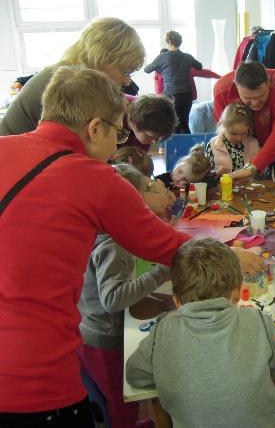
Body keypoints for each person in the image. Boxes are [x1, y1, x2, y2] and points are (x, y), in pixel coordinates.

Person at [0, 66, 188, 426]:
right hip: (35, 380)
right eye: (119, 133)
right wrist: (234, 253)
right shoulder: (97, 178)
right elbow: (168, 246)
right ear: (95, 128)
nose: (120, 144)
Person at [126, 238, 275, 428]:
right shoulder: (257, 320)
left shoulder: (163, 331)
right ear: (237, 294)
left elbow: (135, 376)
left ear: (176, 301)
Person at [77, 163, 175, 428]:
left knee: (112, 399)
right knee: (122, 402)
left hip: (91, 332)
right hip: (104, 339)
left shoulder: (100, 229)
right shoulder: (113, 244)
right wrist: (160, 274)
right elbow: (113, 299)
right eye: (146, 189)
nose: (152, 190)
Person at [0, 17, 145, 136]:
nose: (127, 81)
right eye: (125, 71)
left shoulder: (68, 77)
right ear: (102, 58)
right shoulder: (63, 87)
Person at [213, 62, 275, 190]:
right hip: (250, 147)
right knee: (257, 191)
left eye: (260, 97)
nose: (254, 103)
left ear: (268, 84)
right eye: (247, 99)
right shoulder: (222, 89)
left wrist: (252, 167)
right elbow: (226, 131)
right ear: (237, 87)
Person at [144, 31, 203, 134]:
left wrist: (161, 70)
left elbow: (147, 69)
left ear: (169, 41)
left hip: (171, 95)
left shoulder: (162, 57)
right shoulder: (187, 57)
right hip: (186, 95)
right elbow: (199, 66)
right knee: (184, 123)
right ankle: (189, 149)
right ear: (180, 42)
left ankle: (174, 148)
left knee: (173, 124)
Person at [206, 102, 265, 178]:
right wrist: (215, 172)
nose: (239, 138)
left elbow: (263, 173)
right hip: (223, 188)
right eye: (233, 133)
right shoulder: (213, 146)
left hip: (249, 187)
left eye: (243, 133)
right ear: (223, 126)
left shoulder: (254, 144)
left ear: (249, 129)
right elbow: (205, 174)